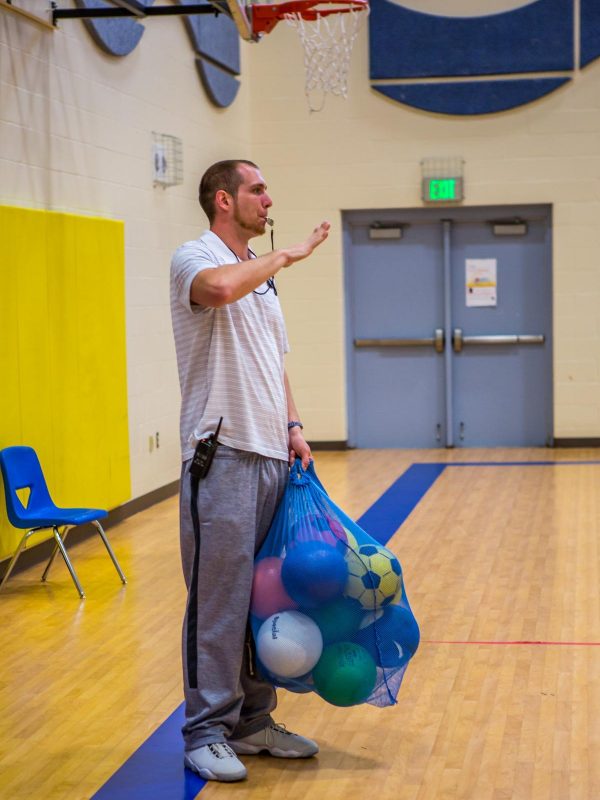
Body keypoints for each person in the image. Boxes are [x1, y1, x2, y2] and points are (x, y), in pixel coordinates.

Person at [170, 159, 330, 782]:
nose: (269, 198)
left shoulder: (265, 283)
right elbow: (217, 290)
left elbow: (273, 363)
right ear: (222, 199)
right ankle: (205, 730)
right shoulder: (195, 256)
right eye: (257, 189)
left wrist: (292, 426)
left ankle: (255, 720)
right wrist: (286, 256)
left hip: (270, 455)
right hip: (222, 456)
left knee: (267, 599)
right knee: (219, 603)